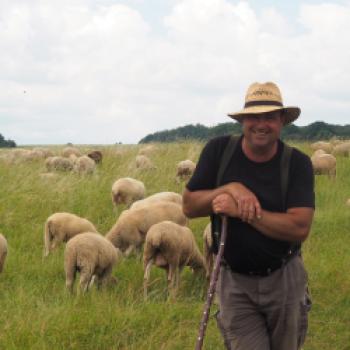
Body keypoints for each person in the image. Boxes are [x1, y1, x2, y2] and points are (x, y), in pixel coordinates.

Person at [183, 82, 315, 350]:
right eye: (254, 116)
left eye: (270, 117)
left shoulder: (297, 163)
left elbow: (299, 227)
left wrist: (246, 213)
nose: (261, 124)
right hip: (235, 283)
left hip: (284, 278)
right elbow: (189, 206)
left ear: (282, 121)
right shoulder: (219, 151)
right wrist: (229, 188)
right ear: (243, 121)